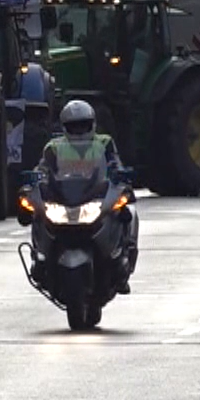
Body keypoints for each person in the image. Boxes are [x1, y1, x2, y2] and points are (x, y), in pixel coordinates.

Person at [35, 99, 137, 293]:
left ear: (93, 124)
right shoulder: (53, 147)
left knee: (125, 211)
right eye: (74, 126)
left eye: (83, 125)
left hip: (95, 196)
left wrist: (122, 180)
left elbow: (115, 164)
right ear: (64, 127)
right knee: (37, 214)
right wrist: (36, 185)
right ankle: (41, 260)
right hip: (64, 198)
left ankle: (121, 260)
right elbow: (42, 170)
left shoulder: (104, 142)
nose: (79, 130)